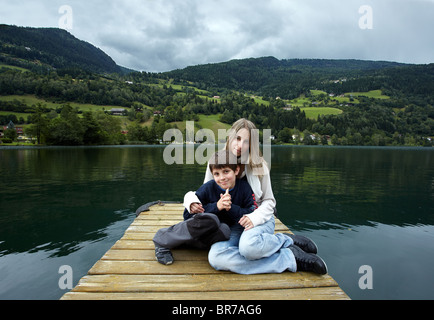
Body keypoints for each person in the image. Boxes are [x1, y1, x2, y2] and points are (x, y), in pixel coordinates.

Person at [184, 118, 328, 275]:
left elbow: (269, 201)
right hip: (230, 223)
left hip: (258, 218)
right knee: (216, 257)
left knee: (248, 248)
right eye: (238, 139)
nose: (240, 145)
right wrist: (190, 201)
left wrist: (254, 218)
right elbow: (205, 193)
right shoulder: (216, 161)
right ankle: (289, 257)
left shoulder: (260, 165)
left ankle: (285, 240)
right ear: (230, 137)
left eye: (246, 141)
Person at [153, 149, 257, 265]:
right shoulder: (208, 188)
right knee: (211, 220)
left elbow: (252, 211)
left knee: (225, 230)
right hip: (204, 225)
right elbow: (187, 216)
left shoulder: (244, 188)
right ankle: (162, 240)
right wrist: (217, 206)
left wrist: (231, 208)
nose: (222, 178)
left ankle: (182, 243)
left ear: (236, 170)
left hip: (215, 232)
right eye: (217, 174)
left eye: (226, 171)